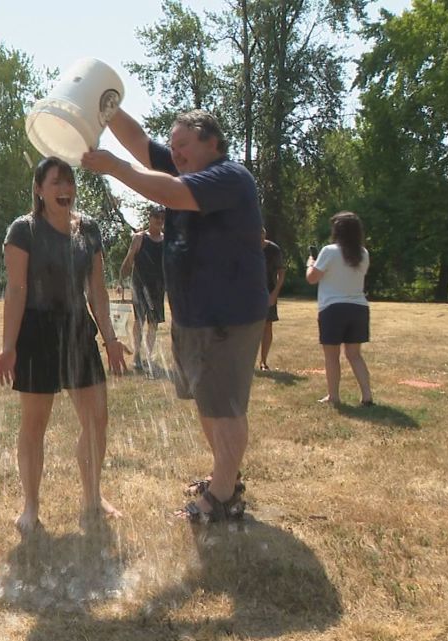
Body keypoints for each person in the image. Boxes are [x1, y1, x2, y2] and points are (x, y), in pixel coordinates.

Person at [82, 108, 266, 524]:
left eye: (183, 145)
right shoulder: (185, 170)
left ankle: (222, 498)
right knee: (208, 402)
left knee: (226, 406)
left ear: (212, 143)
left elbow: (168, 192)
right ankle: (225, 478)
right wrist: (108, 108)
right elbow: (141, 142)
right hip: (194, 315)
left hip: (228, 314)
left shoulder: (229, 178)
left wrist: (114, 168)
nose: (175, 153)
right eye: (174, 145)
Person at [0, 156, 128, 535]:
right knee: (35, 423)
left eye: (69, 182)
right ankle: (31, 506)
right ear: (39, 189)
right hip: (36, 331)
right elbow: (16, 289)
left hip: (78, 329)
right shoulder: (24, 230)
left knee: (97, 419)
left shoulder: (90, 229)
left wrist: (111, 339)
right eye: (56, 182)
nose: (65, 189)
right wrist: (8, 346)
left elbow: (96, 290)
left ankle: (93, 498)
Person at [306, 211, 373, 406]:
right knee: (354, 355)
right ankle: (367, 395)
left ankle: (334, 396)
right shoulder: (363, 253)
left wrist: (310, 263)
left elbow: (312, 278)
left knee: (332, 356)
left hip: (333, 308)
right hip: (359, 308)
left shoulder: (329, 251)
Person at [119, 207, 165, 373]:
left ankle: (148, 355)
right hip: (139, 286)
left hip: (158, 288)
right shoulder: (139, 238)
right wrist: (120, 281)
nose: (159, 220)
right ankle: (137, 355)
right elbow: (128, 260)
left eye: (162, 217)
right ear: (150, 217)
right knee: (139, 321)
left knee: (153, 324)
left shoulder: (166, 240)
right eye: (156, 217)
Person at [260, 228, 285, 370]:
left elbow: (281, 273)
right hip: (248, 293)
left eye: (261, 235)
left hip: (268, 291)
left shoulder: (273, 250)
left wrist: (274, 293)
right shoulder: (246, 246)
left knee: (267, 325)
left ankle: (263, 361)